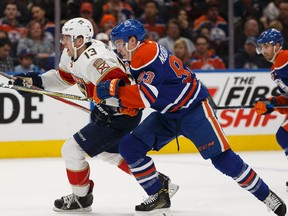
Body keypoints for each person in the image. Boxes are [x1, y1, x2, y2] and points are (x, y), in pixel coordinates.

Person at [94, 19, 287, 215]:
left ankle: (265, 194)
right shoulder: (140, 53)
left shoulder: (144, 55)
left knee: (223, 159)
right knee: (130, 147)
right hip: (169, 114)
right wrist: (127, 103)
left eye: (119, 43)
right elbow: (148, 93)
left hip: (194, 110)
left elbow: (145, 96)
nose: (117, 49)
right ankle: (158, 193)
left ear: (132, 41)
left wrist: (115, 92)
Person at [11, 17, 178, 212]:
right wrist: (37, 82)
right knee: (108, 152)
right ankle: (156, 182)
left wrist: (109, 108)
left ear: (79, 40)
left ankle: (81, 199)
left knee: (72, 150)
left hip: (120, 113)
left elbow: (122, 84)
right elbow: (63, 78)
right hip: (110, 112)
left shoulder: (96, 60)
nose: (62, 41)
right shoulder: (70, 53)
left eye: (66, 37)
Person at [253, 28, 288, 188]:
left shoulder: (283, 57)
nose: (264, 50)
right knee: (284, 136)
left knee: (284, 135)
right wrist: (272, 103)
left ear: (278, 46)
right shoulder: (274, 70)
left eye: (267, 45)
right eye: (262, 46)